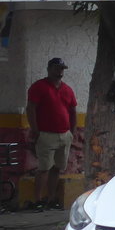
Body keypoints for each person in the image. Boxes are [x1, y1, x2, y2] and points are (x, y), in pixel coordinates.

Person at [25, 57, 77, 212]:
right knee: (43, 168)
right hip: (46, 135)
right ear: (49, 69)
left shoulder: (67, 89)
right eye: (56, 68)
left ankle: (51, 199)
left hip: (64, 135)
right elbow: (31, 108)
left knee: (57, 168)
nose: (59, 71)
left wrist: (72, 132)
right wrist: (35, 130)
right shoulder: (39, 87)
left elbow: (73, 111)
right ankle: (38, 200)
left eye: (61, 69)